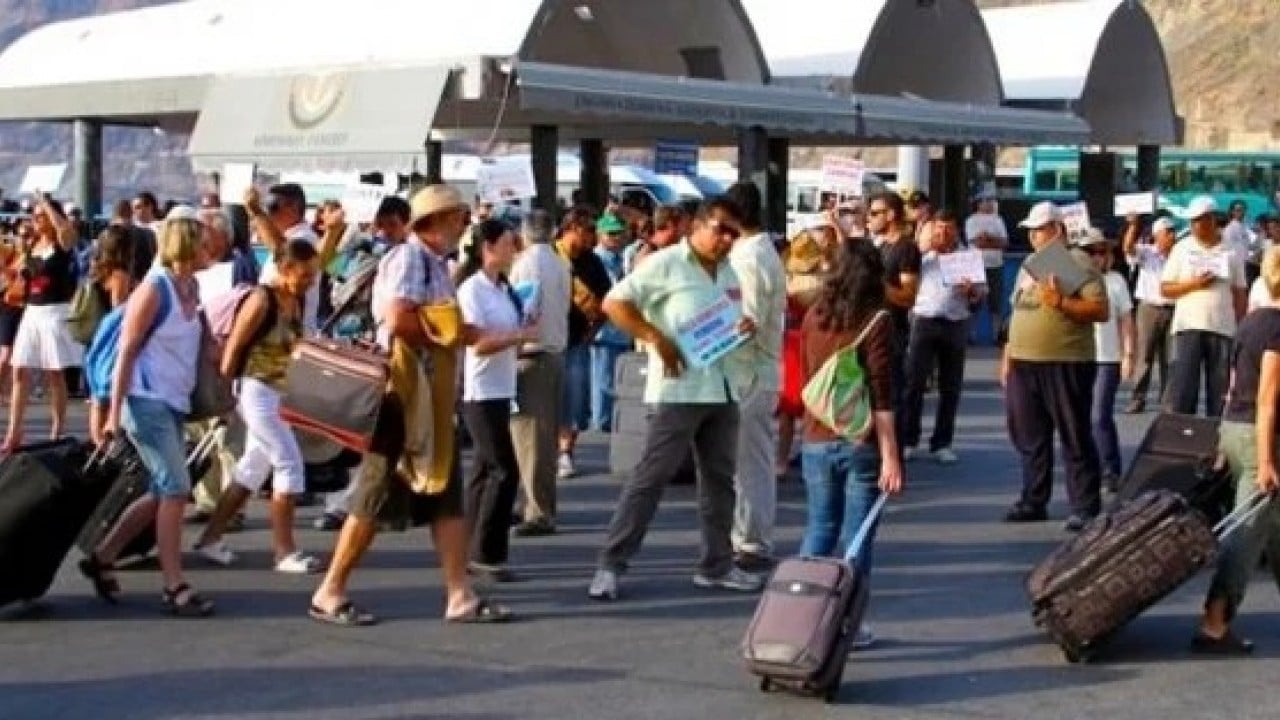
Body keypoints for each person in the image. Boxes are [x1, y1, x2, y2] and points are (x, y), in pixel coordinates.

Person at [310, 184, 510, 626]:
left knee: (446, 495)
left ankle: (460, 595)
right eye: (457, 216)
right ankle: (330, 589)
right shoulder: (410, 259)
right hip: (405, 396)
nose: (463, 224)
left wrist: (460, 332)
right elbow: (400, 319)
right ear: (434, 223)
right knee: (375, 493)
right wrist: (450, 335)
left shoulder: (435, 263)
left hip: (429, 398)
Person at [587, 198, 760, 602]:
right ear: (697, 227)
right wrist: (654, 337)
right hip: (679, 389)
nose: (727, 239)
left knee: (719, 482)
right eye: (720, 229)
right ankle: (611, 563)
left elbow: (724, 323)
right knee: (651, 477)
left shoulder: (730, 271)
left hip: (722, 385)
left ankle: (717, 564)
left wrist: (742, 328)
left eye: (734, 232)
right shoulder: (667, 263)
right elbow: (614, 302)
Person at [78, 209, 215, 617]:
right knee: (176, 488)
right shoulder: (155, 290)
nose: (212, 248)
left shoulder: (191, 287)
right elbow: (126, 353)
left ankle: (104, 555)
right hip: (144, 401)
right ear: (188, 245)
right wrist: (110, 413)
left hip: (172, 401)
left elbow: (204, 348)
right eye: (205, 241)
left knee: (161, 490)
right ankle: (175, 586)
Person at [193, 240, 323, 574]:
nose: (311, 280)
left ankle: (210, 538)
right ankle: (284, 552)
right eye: (305, 274)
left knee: (253, 467)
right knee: (289, 464)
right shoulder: (261, 299)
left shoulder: (295, 299)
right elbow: (233, 348)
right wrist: (227, 398)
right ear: (284, 269)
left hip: (277, 392)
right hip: (255, 391)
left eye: (313, 273)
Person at [799, 237, 905, 650]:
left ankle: (803, 613)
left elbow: (809, 376)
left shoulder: (813, 316)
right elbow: (882, 394)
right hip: (859, 439)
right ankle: (848, 623)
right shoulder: (876, 320)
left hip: (815, 436)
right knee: (856, 538)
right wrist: (892, 457)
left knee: (819, 529)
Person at [1002, 202, 1109, 531]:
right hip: (1024, 360)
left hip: (1065, 360)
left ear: (1059, 231)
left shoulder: (1076, 261)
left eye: (1041, 229)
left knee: (1073, 433)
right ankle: (1034, 498)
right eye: (1031, 230)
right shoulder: (1028, 265)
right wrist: (1007, 356)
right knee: (1030, 435)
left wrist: (1062, 302)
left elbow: (1099, 310)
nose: (1035, 236)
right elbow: (1017, 313)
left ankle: (1085, 504)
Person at [1194, 247, 1280, 655]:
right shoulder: (1278, 329)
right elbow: (1268, 398)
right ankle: (1214, 623)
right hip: (1259, 436)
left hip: (1236, 428)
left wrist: (1223, 443)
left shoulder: (1251, 323)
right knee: (1245, 533)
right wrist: (1265, 460)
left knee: (1273, 529)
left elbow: (1232, 385)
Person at [455, 219, 539, 582]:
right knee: (504, 468)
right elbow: (478, 341)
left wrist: (521, 331)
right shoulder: (472, 289)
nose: (514, 248)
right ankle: (488, 551)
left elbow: (507, 336)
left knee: (483, 471)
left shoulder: (503, 288)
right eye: (507, 242)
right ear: (488, 247)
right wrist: (517, 334)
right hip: (480, 388)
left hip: (503, 385)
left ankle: (467, 545)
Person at [724, 182, 786, 569]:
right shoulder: (763, 251)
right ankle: (750, 535)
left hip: (748, 370)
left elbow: (745, 320)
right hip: (760, 369)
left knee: (749, 463)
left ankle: (751, 539)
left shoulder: (747, 258)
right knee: (753, 461)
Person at [901, 210, 985, 464]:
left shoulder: (969, 257)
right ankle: (908, 438)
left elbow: (980, 295)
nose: (943, 234)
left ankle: (942, 442)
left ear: (957, 230)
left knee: (950, 387)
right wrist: (922, 249)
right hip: (924, 320)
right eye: (938, 229)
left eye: (948, 229)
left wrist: (971, 291)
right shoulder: (922, 255)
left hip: (955, 322)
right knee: (913, 383)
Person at [508, 209, 571, 537]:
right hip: (553, 354)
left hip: (533, 355)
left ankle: (538, 510)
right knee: (538, 439)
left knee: (531, 439)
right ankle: (536, 505)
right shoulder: (560, 262)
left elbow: (525, 311)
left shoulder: (527, 265)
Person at [2, 195, 81, 452]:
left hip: (54, 311)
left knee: (54, 373)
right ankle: (15, 430)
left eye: (40, 217)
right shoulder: (33, 245)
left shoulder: (61, 244)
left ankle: (57, 429)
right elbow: (22, 276)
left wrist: (45, 203)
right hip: (32, 311)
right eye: (34, 216)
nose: (35, 221)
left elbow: (65, 230)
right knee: (20, 369)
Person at [1160, 196, 1247, 418]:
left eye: (1199, 220)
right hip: (1188, 326)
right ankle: (1182, 439)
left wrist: (1241, 326)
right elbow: (1166, 289)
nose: (1195, 226)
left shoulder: (1233, 250)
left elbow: (1239, 291)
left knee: (1219, 392)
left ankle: (1216, 442)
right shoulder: (1182, 248)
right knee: (1183, 390)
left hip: (1222, 328)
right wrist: (1194, 284)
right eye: (1192, 221)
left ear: (1211, 220)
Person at [555, 206, 611, 478]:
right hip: (548, 342)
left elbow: (608, 301)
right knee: (549, 400)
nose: (594, 236)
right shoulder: (551, 256)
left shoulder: (593, 262)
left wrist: (593, 330)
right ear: (572, 228)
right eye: (589, 230)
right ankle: (551, 450)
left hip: (577, 340)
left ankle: (566, 451)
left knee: (575, 398)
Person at [1078, 228, 1135, 491]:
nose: (1096, 257)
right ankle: (1088, 467)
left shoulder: (1115, 281)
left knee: (1099, 415)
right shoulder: (1073, 280)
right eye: (1090, 252)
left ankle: (1110, 468)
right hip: (1077, 356)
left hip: (1107, 357)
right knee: (1079, 417)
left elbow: (1126, 320)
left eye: (1101, 252)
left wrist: (1129, 354)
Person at [85, 225, 138, 445]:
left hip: (96, 330)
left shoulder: (97, 269)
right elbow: (119, 307)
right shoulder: (119, 274)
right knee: (106, 391)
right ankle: (103, 445)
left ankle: (97, 442)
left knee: (98, 396)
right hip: (112, 333)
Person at [1124, 215, 1176, 413]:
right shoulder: (1147, 252)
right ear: (1157, 236)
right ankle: (1138, 397)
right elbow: (1128, 248)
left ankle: (1168, 401)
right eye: (1167, 232)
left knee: (1170, 357)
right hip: (1149, 307)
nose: (1171, 236)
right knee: (1144, 354)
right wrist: (1133, 225)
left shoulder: (1179, 255)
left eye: (1172, 231)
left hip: (1173, 307)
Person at [590, 212, 633, 433]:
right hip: (604, 331)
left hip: (620, 330)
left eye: (620, 233)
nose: (616, 238)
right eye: (611, 234)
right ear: (600, 235)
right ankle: (601, 423)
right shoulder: (597, 260)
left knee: (614, 380)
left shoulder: (622, 259)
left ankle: (606, 421)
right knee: (603, 381)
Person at [965, 193, 1009, 343]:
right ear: (979, 203)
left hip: (996, 265)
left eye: (992, 200)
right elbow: (976, 242)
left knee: (995, 302)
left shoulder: (998, 219)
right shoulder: (971, 221)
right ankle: (971, 335)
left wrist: (988, 238)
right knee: (974, 301)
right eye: (987, 201)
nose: (991, 203)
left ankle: (997, 335)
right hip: (976, 265)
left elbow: (1004, 243)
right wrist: (993, 241)